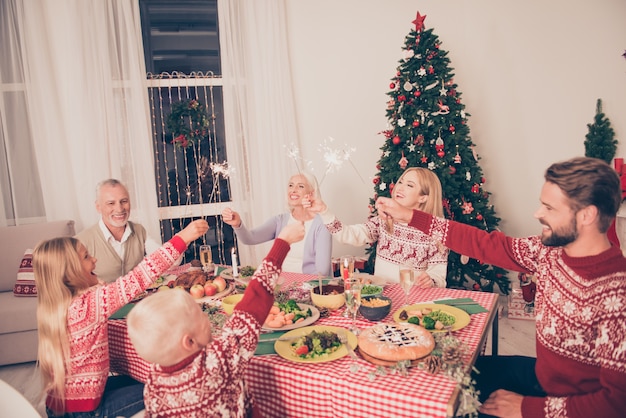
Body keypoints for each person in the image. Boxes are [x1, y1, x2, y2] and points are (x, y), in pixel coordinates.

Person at [375, 156, 626, 418]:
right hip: (544, 378)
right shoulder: (548, 252)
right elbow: (487, 244)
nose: (537, 214)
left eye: (549, 209)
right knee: (442, 381)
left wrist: (525, 409)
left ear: (587, 215)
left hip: (574, 405)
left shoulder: (616, 296)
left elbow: (617, 403)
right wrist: (410, 216)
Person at [126, 222, 305, 417]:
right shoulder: (216, 361)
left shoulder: (153, 384)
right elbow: (253, 304)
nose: (206, 316)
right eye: (200, 315)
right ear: (189, 342)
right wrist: (283, 242)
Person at [34, 219, 209, 417]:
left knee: (149, 378)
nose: (94, 260)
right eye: (86, 257)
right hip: (85, 412)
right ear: (69, 274)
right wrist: (182, 238)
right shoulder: (87, 305)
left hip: (62, 406)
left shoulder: (58, 307)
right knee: (164, 385)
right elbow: (138, 277)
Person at [308, 167, 448, 286]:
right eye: (400, 182)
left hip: (414, 302)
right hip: (382, 299)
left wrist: (431, 280)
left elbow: (439, 276)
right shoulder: (384, 220)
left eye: (409, 185)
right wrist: (324, 211)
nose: (400, 187)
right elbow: (348, 235)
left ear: (423, 198)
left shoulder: (435, 232)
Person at [221, 172, 332, 276]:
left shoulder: (322, 224)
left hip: (308, 286)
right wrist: (237, 224)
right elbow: (249, 238)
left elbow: (322, 272)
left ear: (311, 193)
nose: (293, 190)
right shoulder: (280, 220)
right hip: (281, 284)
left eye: (300, 186)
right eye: (291, 185)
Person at [75, 179, 166, 283]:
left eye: (124, 201)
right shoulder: (80, 241)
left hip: (142, 297)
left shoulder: (139, 230)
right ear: (98, 207)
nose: (119, 209)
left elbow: (164, 260)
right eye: (111, 203)